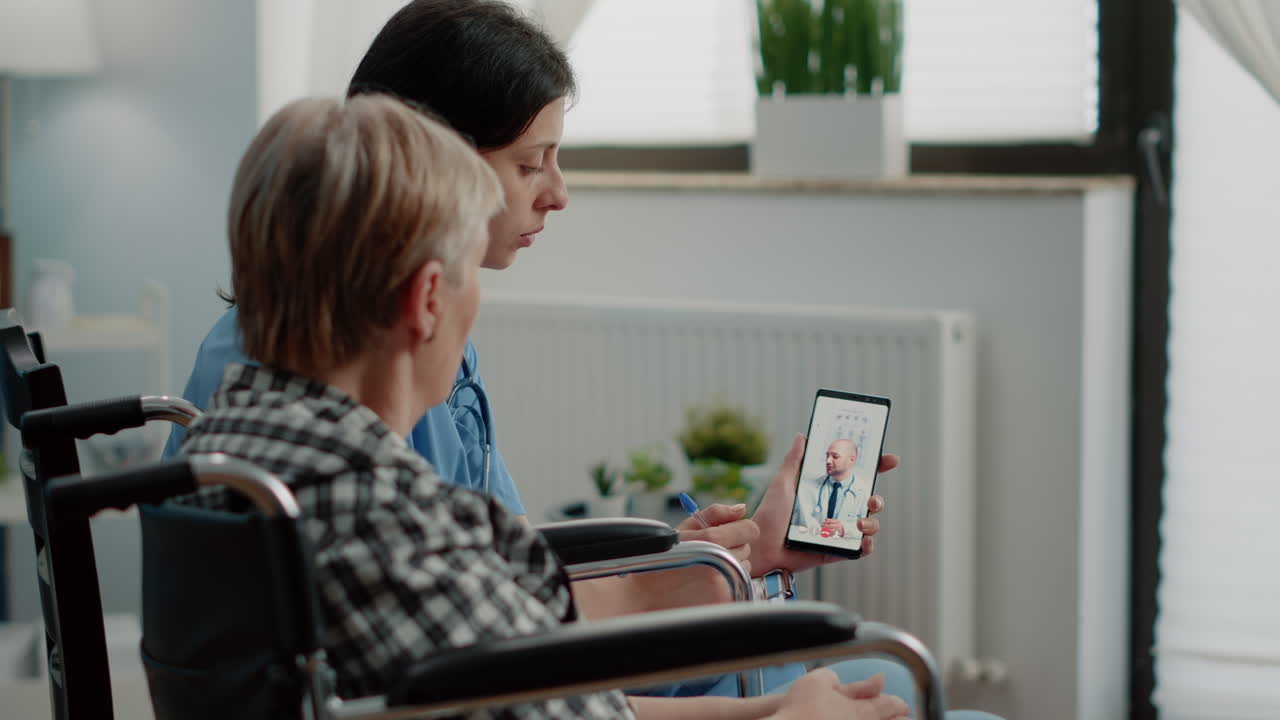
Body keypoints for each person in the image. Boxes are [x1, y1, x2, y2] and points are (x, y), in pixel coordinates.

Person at [167, 3, 1003, 718]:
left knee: (871, 681)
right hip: (541, 674)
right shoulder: (364, 482)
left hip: (529, 658)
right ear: (425, 294)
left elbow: (512, 603)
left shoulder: (261, 416)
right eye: (529, 164)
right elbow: (524, 674)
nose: (556, 192)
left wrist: (736, 558)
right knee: (904, 681)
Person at [792, 439, 866, 539]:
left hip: (842, 547)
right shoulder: (807, 486)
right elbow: (799, 522)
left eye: (835, 456)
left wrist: (844, 529)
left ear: (851, 460)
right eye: (827, 456)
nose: (828, 461)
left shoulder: (864, 492)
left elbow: (866, 529)